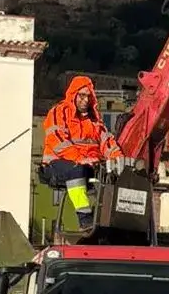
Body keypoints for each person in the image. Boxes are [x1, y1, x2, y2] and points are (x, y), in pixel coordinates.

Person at [40, 75, 126, 231]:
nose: (85, 100)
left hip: (87, 164)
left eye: (88, 96)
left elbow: (107, 143)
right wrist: (80, 159)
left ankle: (106, 220)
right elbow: (57, 141)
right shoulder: (58, 112)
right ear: (73, 95)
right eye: (81, 95)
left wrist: (118, 159)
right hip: (56, 164)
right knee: (76, 171)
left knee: (113, 177)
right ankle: (85, 219)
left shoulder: (95, 121)